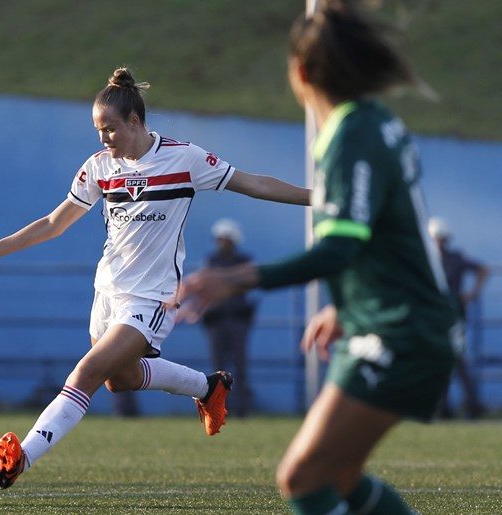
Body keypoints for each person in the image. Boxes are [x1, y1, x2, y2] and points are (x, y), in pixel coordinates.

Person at [0, 67, 311, 490]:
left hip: (152, 298)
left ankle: (22, 456)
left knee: (84, 374)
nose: (104, 138)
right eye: (98, 130)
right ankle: (207, 386)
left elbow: (253, 183)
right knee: (116, 380)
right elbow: (53, 223)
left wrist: (316, 200)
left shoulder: (185, 159)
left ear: (135, 122)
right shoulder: (100, 167)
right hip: (107, 291)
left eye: (110, 129)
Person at [178, 3, 460, 513]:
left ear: (302, 73)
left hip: (400, 332)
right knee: (344, 477)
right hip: (396, 321)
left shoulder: (350, 135)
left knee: (303, 478)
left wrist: (240, 278)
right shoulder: (377, 123)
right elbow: (382, 236)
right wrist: (346, 304)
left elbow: (339, 248)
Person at [429, 217, 489, 418]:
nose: (438, 242)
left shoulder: (455, 259)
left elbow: (483, 269)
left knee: (456, 359)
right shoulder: (426, 260)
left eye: (440, 238)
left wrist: (472, 294)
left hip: (454, 317)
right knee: (440, 361)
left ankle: (472, 406)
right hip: (434, 317)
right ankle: (445, 408)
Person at [200, 218, 256, 416]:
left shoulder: (243, 261)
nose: (221, 242)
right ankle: (220, 407)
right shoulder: (212, 261)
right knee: (219, 368)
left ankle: (242, 408)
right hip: (216, 321)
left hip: (237, 321)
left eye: (225, 239)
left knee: (240, 365)